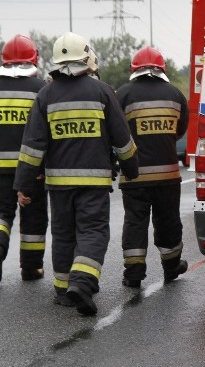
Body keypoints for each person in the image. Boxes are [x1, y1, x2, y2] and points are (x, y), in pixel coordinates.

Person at [15, 32, 139, 315]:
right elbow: (122, 139)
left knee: (63, 234)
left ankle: (62, 290)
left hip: (58, 184)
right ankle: (82, 283)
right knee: (93, 231)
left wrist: (23, 184)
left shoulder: (46, 95)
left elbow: (32, 145)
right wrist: (131, 169)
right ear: (86, 58)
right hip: (93, 183)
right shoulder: (102, 91)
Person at [115, 47, 189, 287]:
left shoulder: (123, 95)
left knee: (135, 223)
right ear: (162, 69)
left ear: (133, 69)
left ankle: (134, 274)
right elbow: (180, 131)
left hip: (134, 176)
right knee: (168, 221)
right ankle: (171, 266)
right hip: (168, 176)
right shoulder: (175, 94)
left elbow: (116, 133)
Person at [0, 35, 48, 282]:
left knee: (1, 214)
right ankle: (31, 268)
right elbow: (46, 134)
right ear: (34, 59)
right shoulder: (41, 89)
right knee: (34, 218)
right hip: (30, 169)